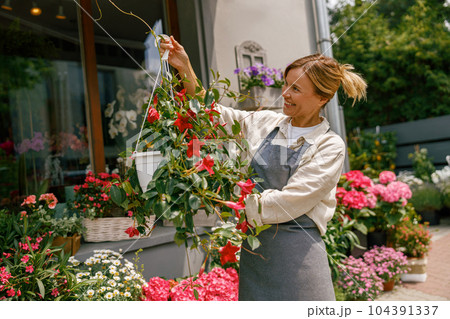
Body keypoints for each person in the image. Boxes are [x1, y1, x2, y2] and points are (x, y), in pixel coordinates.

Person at [160, 36, 367, 301]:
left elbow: (288, 202)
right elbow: (212, 114)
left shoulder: (329, 146)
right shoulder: (267, 122)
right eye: (285, 84)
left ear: (322, 97)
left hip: (298, 261)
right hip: (256, 255)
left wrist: (229, 203)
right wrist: (184, 67)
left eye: (295, 88)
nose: (285, 94)